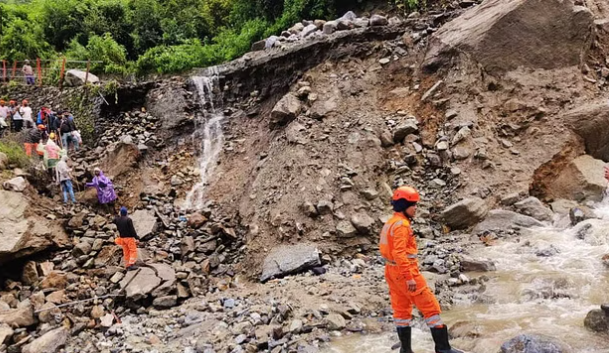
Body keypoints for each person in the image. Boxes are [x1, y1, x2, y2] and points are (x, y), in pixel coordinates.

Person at [380, 186, 463, 353]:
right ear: (404, 206)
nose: (416, 208)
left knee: (401, 309)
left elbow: (389, 251)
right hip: (405, 272)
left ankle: (405, 349)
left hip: (391, 271)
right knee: (430, 307)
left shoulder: (391, 222)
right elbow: (399, 253)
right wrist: (409, 277)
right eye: (413, 205)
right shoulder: (402, 225)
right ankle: (443, 348)